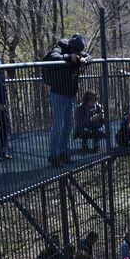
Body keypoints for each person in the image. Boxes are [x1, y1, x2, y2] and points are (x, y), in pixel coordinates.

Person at [44, 33, 91, 167]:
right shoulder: (61, 47)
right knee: (57, 126)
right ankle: (54, 155)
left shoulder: (78, 52)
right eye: (75, 51)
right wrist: (68, 57)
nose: (77, 53)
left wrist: (85, 59)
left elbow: (89, 56)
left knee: (69, 126)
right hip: (58, 94)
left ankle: (64, 152)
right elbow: (54, 57)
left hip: (70, 94)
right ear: (71, 47)